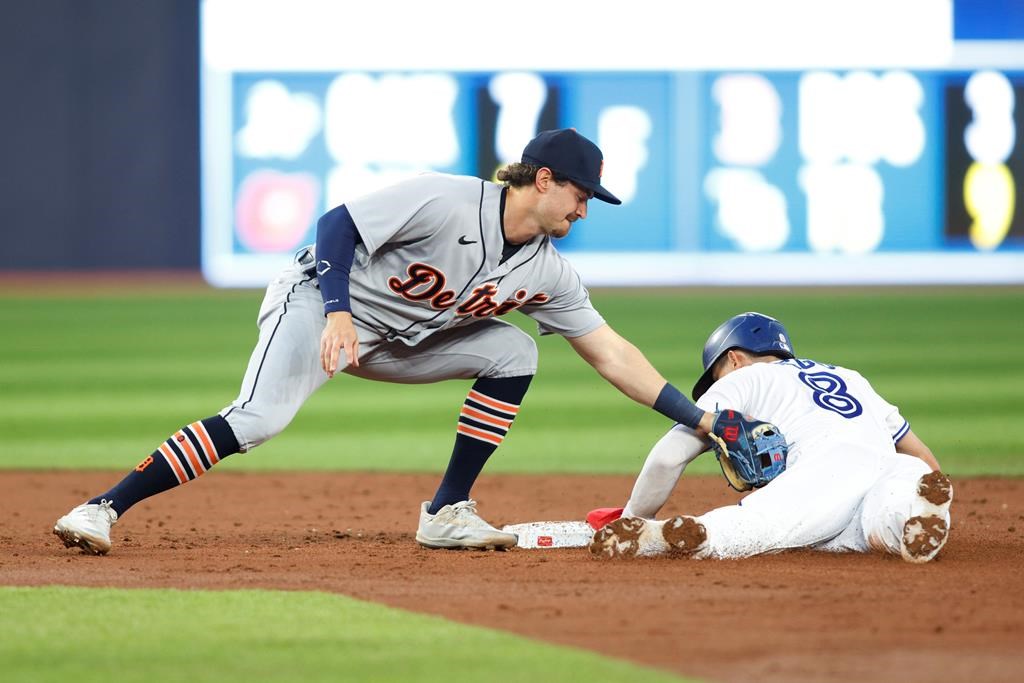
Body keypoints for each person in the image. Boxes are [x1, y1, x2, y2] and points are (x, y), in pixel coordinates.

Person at [54, 128, 717, 555]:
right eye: (580, 194)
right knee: (259, 417)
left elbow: (611, 352)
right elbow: (336, 225)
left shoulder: (549, 270)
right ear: (542, 178)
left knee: (516, 351)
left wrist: (700, 418)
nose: (583, 209)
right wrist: (337, 310)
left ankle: (446, 510)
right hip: (319, 300)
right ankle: (102, 507)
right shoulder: (449, 200)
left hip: (401, 339)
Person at [588, 312, 953, 563]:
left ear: (733, 359)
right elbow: (922, 457)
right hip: (891, 466)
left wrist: (633, 516)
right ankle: (911, 513)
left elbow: (670, 455)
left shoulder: (742, 379)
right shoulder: (849, 376)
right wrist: (925, 480)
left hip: (824, 472)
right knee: (877, 518)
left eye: (715, 374)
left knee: (762, 525)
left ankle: (670, 536)